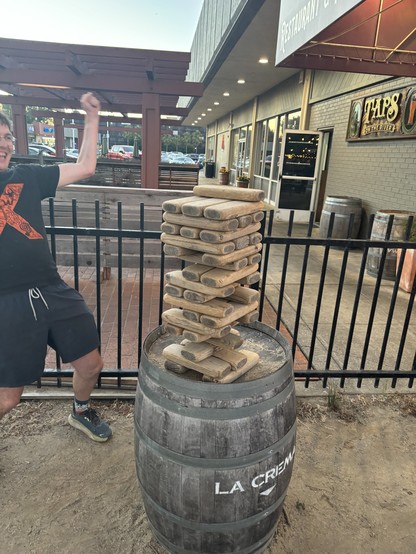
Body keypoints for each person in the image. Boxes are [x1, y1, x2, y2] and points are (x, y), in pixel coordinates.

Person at [0, 92, 112, 442]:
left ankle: (80, 411)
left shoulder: (27, 176)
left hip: (52, 289)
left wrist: (92, 117)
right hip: (8, 301)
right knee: (8, 397)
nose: (3, 143)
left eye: (6, 137)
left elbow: (85, 167)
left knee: (91, 364)